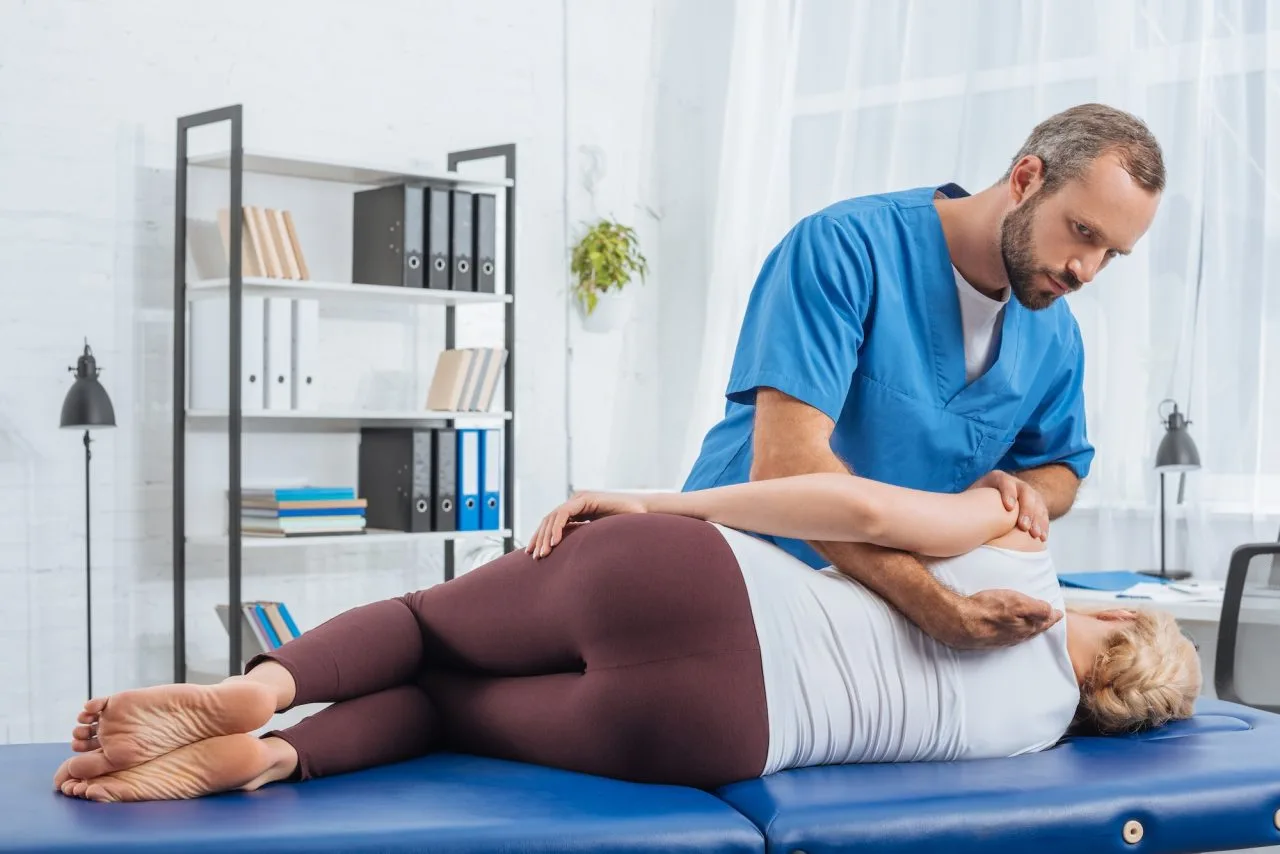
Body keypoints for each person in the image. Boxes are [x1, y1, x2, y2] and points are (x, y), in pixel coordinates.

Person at [52, 474, 1199, 803]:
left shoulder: (1020, 546)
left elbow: (847, 513)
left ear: (1112, 619)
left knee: (418, 624)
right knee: (449, 703)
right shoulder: (1038, 735)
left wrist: (658, 505)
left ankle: (266, 684)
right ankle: (278, 756)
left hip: (693, 585)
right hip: (712, 733)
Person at [682, 103, 1166, 651]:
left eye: (1110, 254)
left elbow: (1060, 468)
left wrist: (1013, 495)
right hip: (738, 581)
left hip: (873, 619)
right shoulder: (844, 246)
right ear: (1026, 179)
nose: (1086, 270)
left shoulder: (1054, 335)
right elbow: (785, 466)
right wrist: (935, 606)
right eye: (1082, 231)